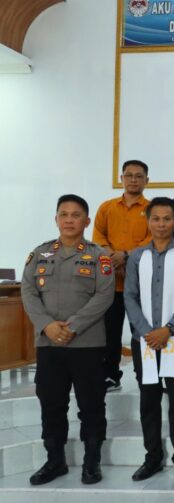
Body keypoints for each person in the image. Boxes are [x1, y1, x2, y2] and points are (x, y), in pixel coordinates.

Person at [21, 194, 114, 485]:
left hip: (86, 343)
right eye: (64, 214)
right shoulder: (40, 254)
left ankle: (91, 461)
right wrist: (47, 326)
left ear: (86, 221)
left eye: (76, 215)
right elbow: (28, 292)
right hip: (49, 345)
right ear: (57, 219)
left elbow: (104, 295)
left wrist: (71, 327)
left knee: (91, 404)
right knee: (51, 403)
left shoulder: (99, 256)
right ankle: (55, 460)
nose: (69, 220)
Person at [123, 197, 174, 482]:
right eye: (156, 218)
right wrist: (146, 331)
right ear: (148, 220)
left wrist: (168, 328)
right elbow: (129, 295)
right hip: (144, 341)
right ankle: (152, 457)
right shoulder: (136, 257)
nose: (161, 224)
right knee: (149, 400)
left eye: (167, 219)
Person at [93, 159, 152, 392]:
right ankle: (110, 375)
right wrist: (111, 256)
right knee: (110, 332)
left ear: (147, 180)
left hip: (140, 283)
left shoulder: (151, 209)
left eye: (139, 176)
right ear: (121, 178)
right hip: (111, 283)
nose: (133, 180)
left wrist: (126, 255)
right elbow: (98, 236)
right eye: (129, 175)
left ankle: (146, 374)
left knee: (143, 330)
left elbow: (152, 238)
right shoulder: (107, 207)